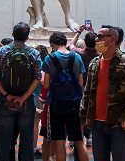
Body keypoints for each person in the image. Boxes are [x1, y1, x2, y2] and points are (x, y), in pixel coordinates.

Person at [79, 26, 125, 161]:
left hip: (118, 123)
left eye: (100, 36)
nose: (97, 39)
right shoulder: (94, 63)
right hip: (97, 124)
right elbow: (87, 92)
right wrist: (84, 117)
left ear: (112, 39)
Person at [0, 22, 42, 161]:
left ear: (13, 35)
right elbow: (37, 78)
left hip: (6, 100)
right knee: (27, 140)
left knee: (5, 140)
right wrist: (23, 98)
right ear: (27, 37)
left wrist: (7, 95)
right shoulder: (34, 53)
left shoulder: (2, 51)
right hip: (26, 101)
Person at [42, 31, 87, 161]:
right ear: (65, 43)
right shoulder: (76, 57)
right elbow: (81, 82)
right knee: (79, 141)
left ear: (52, 44)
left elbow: (45, 86)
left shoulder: (49, 59)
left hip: (56, 103)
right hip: (75, 102)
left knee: (59, 141)